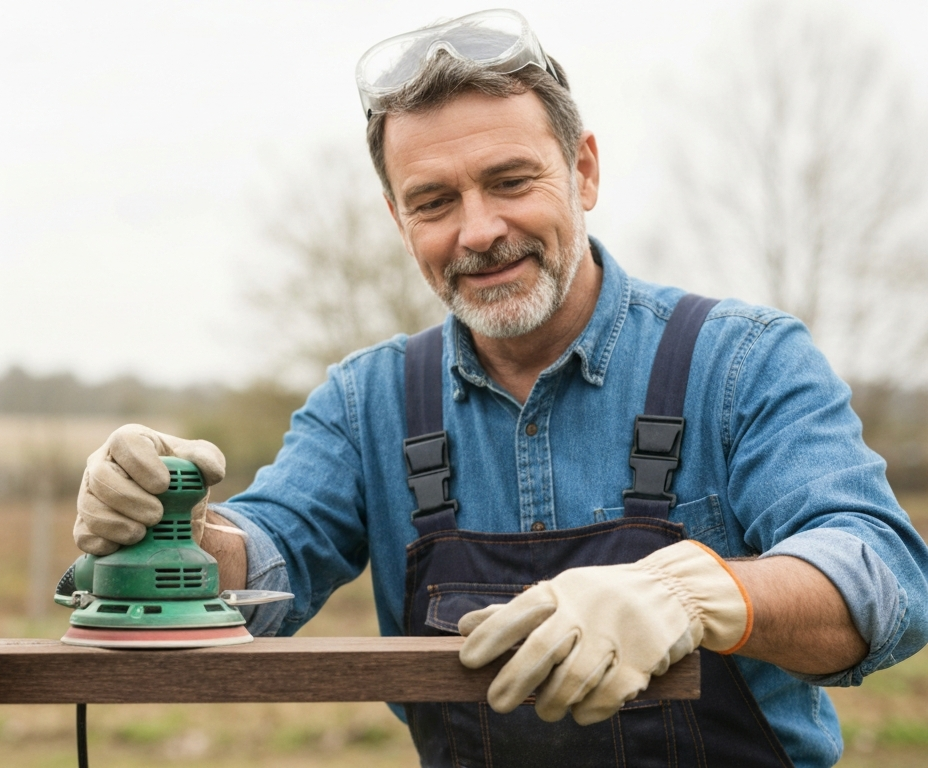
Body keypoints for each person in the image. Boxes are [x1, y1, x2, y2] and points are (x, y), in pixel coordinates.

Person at [71, 10, 928, 767]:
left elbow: (882, 575)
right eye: (434, 200)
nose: (479, 230)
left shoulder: (743, 362)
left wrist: (695, 592)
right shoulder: (368, 401)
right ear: (397, 218)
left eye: (512, 181)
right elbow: (270, 560)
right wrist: (171, 520)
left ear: (583, 171)